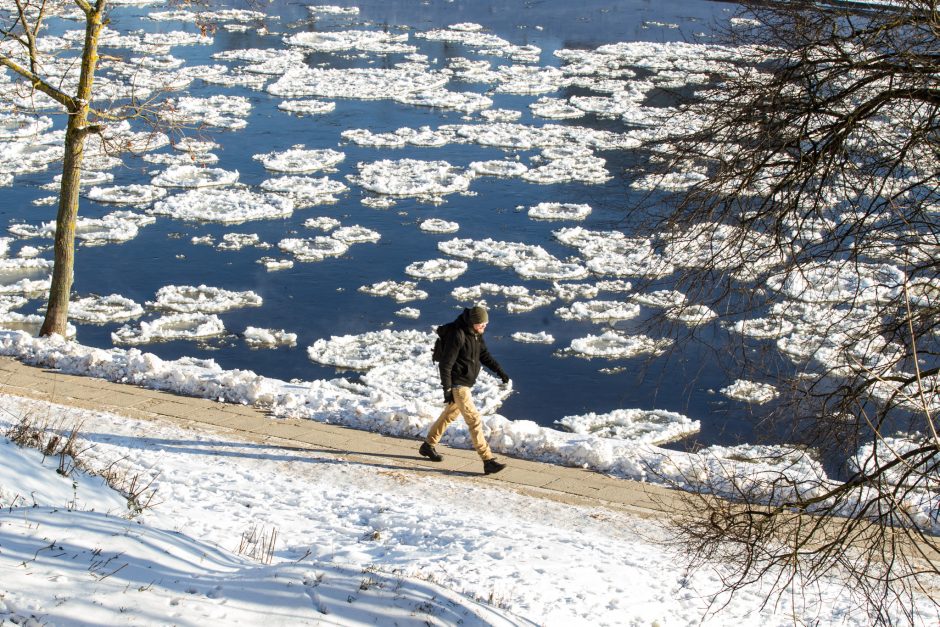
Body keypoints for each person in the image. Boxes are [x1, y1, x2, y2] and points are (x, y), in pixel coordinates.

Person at [419, 305, 510, 475]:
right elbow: (446, 364)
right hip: (458, 385)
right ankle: (488, 460)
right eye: (482, 324)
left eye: (486, 324)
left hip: (465, 384)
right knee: (474, 420)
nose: (484, 327)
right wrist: (447, 389)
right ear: (473, 322)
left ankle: (428, 446)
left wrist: (500, 371)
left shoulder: (476, 335)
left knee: (449, 415)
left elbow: (484, 355)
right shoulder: (458, 335)